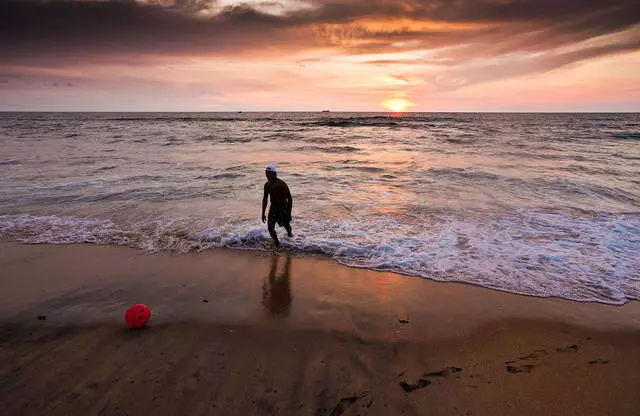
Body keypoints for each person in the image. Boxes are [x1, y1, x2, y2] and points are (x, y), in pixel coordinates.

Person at [261, 165, 293, 247]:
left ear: (274, 174)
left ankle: (290, 237)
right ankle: (277, 244)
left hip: (283, 208)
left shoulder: (282, 184)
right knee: (270, 227)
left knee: (286, 225)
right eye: (266, 174)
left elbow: (289, 198)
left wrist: (289, 212)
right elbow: (265, 199)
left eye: (268, 174)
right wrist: (263, 213)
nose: (267, 176)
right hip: (273, 208)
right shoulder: (267, 185)